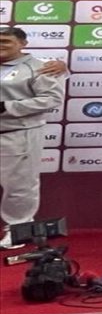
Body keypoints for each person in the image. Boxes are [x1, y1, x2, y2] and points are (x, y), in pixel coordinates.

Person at [1, 26, 67, 248]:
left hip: (17, 133)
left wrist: (7, 107)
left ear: (22, 44)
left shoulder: (40, 68)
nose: (1, 45)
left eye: (6, 41)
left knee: (19, 185)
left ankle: (19, 229)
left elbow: (52, 99)